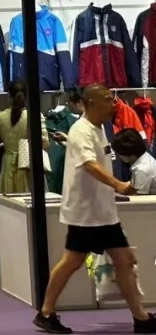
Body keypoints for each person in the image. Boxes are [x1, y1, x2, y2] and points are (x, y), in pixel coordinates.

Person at [35, 85, 156, 334]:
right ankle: (45, 313)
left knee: (124, 260)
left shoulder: (99, 129)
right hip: (85, 213)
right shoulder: (80, 131)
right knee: (72, 261)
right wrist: (118, 185)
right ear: (91, 104)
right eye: (107, 99)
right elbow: (90, 165)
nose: (113, 104)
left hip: (102, 211)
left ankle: (141, 318)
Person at [0, 79, 48, 194]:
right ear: (26, 96)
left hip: (7, 165)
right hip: (28, 165)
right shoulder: (34, 117)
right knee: (29, 200)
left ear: (9, 96)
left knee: (8, 201)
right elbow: (45, 144)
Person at [112, 129, 156, 194]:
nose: (118, 156)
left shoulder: (142, 170)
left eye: (119, 153)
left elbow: (139, 197)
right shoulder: (145, 156)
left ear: (131, 154)